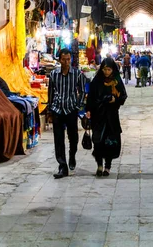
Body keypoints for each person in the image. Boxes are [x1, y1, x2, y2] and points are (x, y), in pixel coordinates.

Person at [48, 49, 87, 179]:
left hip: (71, 109)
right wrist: (50, 108)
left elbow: (82, 91)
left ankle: (72, 156)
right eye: (64, 59)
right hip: (57, 109)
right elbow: (51, 93)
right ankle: (62, 166)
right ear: (60, 60)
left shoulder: (77, 74)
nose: (66, 62)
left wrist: (78, 105)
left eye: (68, 59)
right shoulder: (53, 74)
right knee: (58, 139)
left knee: (73, 137)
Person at [85, 58, 127, 177]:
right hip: (98, 116)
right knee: (98, 141)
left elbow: (123, 96)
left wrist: (115, 100)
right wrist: (88, 110)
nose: (106, 72)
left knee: (109, 142)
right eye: (104, 69)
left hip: (111, 116)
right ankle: (99, 165)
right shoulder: (96, 81)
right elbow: (90, 97)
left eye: (109, 69)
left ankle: (107, 167)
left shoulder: (117, 81)